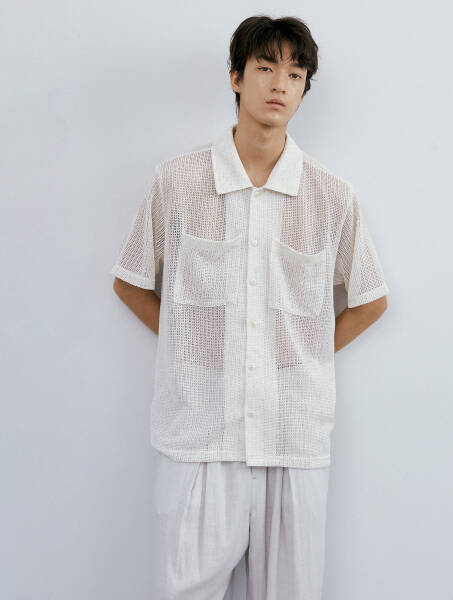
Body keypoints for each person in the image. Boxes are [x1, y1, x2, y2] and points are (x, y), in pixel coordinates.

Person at [110, 14, 390, 600]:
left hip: (294, 437)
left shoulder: (331, 196)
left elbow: (370, 300)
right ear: (236, 77)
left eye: (296, 73)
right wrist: (192, 345)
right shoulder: (178, 182)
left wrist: (301, 355)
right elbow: (131, 281)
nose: (280, 84)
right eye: (266, 68)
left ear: (305, 89)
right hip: (199, 434)